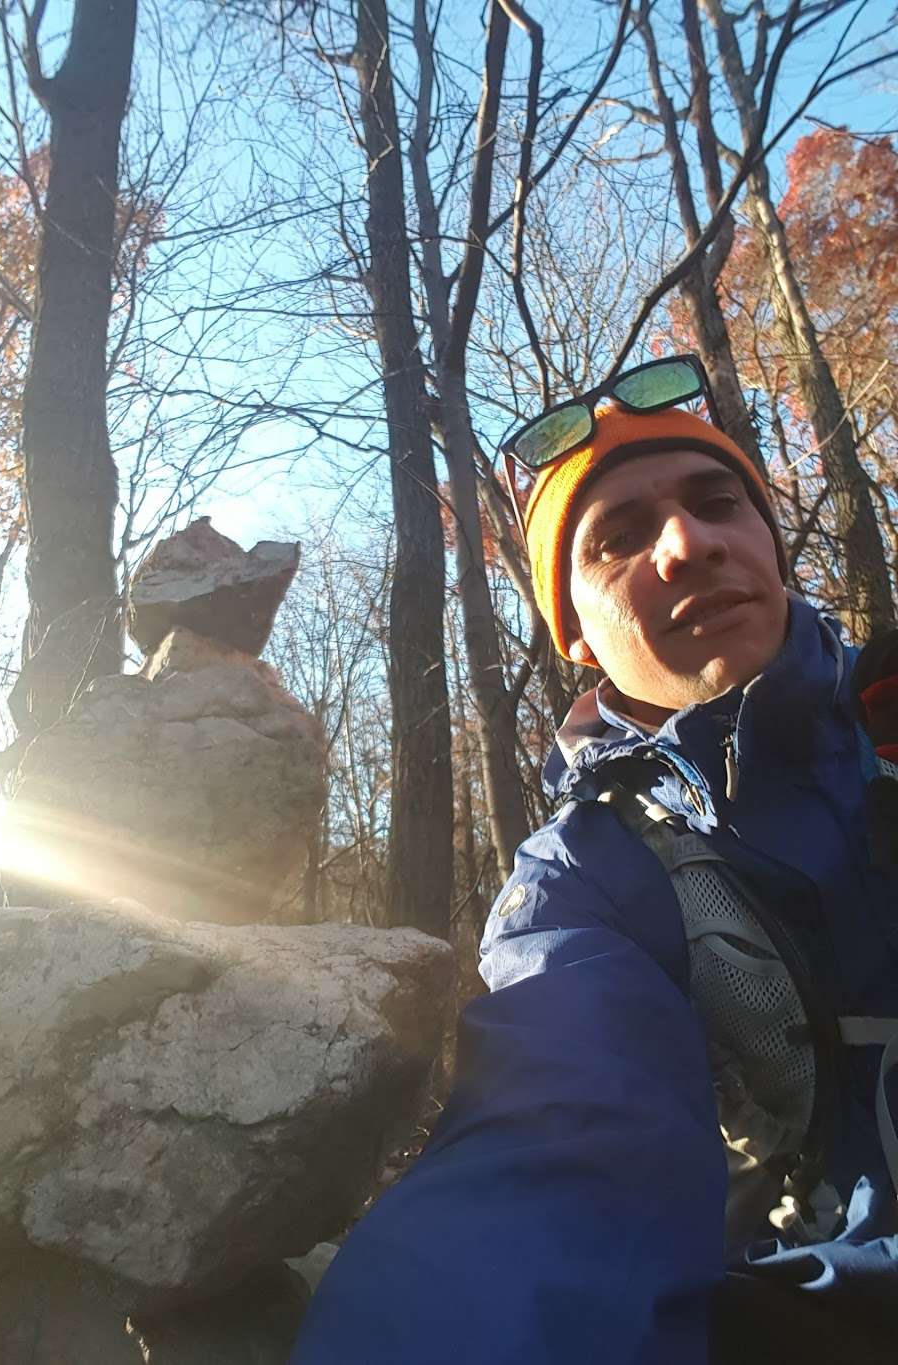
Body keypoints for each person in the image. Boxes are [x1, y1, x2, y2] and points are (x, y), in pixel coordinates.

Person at [290, 355, 898, 1364]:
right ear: (574, 633)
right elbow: (557, 1156)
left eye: (718, 504)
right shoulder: (585, 880)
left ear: (769, 547)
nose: (686, 544)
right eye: (616, 538)